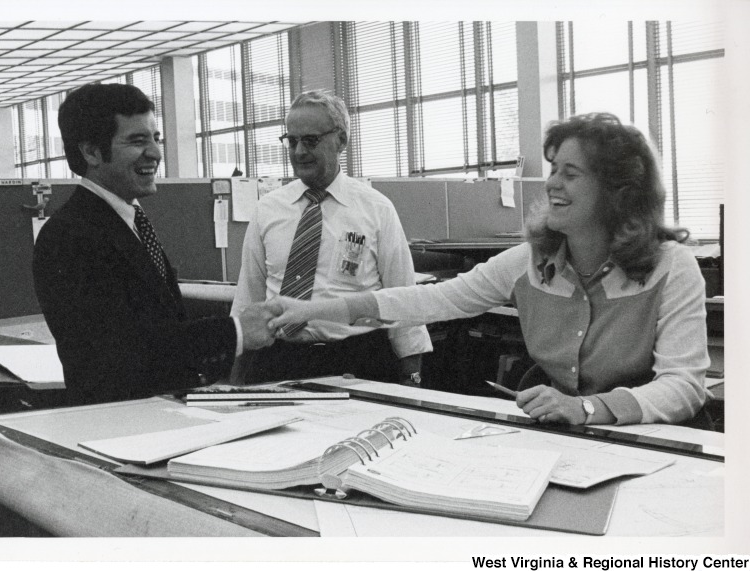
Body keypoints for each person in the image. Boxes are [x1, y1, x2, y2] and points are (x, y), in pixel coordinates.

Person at [267, 112, 711, 426]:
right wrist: (315, 310)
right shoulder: (530, 262)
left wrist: (590, 408)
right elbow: (432, 299)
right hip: (567, 440)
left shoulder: (672, 268)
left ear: (619, 191)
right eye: (553, 169)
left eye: (570, 173)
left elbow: (683, 386)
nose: (551, 182)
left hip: (654, 441)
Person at [33, 83, 275, 405]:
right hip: (124, 423)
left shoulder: (129, 219)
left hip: (162, 411)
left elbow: (156, 320)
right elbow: (120, 353)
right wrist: (236, 332)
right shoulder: (68, 236)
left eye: (155, 138)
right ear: (91, 152)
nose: (156, 153)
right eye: (137, 141)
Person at [231, 90, 432, 385]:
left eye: (310, 140)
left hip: (356, 358)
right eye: (292, 140)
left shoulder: (376, 209)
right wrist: (236, 375)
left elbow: (402, 297)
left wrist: (413, 374)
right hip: (279, 359)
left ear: (341, 140)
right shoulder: (267, 210)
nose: (299, 151)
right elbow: (248, 297)